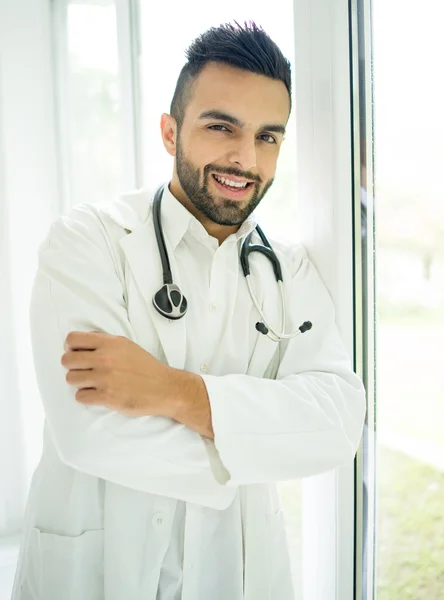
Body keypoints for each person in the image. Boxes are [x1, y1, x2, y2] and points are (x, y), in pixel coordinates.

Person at [11, 20, 366, 600]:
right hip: (94, 572)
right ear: (170, 132)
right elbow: (90, 434)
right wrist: (253, 441)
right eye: (220, 126)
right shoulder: (88, 240)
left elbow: (336, 424)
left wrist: (172, 392)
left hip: (239, 573)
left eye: (267, 136)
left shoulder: (290, 269)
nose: (244, 157)